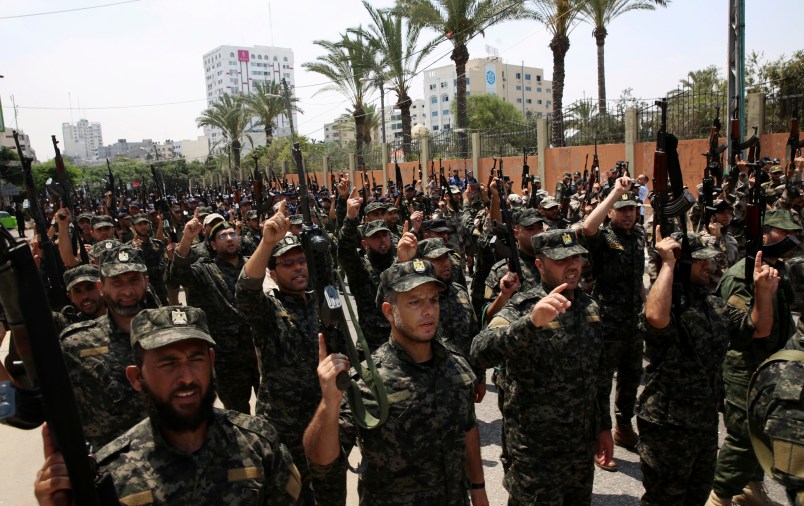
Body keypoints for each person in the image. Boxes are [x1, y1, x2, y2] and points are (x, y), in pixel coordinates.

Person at [34, 306, 302, 506]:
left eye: (195, 359)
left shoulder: (259, 446)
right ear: (136, 378)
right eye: (168, 363)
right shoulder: (111, 475)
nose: (186, 377)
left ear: (211, 362)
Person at [304, 260, 488, 505]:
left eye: (433, 300)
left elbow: (467, 427)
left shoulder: (454, 364)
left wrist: (478, 487)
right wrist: (328, 404)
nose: (428, 311)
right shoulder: (369, 381)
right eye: (415, 302)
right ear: (389, 311)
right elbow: (321, 462)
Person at [471, 229, 612, 504]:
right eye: (561, 260)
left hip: (580, 451)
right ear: (540, 264)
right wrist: (531, 323)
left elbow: (600, 375)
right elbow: (479, 350)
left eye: (576, 258)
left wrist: (604, 426)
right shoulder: (524, 307)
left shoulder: (590, 308)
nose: (572, 265)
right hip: (535, 453)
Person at [237, 204, 345, 505]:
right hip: (283, 430)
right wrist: (267, 242)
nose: (298, 267)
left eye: (302, 261)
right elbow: (245, 292)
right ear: (273, 271)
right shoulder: (269, 310)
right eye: (288, 264)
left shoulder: (324, 304)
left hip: (326, 420)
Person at [708, 210, 800, 506]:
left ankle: (751, 488)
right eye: (781, 233)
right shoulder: (739, 277)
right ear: (763, 236)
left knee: (763, 432)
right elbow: (753, 331)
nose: (790, 239)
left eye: (793, 233)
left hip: (772, 364)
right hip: (744, 367)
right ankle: (719, 497)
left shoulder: (779, 268)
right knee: (743, 438)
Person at [638, 229, 729, 505]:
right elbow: (654, 316)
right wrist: (668, 264)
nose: (708, 265)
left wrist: (762, 290)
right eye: (701, 261)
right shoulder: (666, 304)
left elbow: (758, 329)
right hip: (669, 425)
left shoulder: (712, 303)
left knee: (697, 495)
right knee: (665, 498)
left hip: (704, 419)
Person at [58, 245, 154, 449]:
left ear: (146, 283)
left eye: (134, 280)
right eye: (117, 282)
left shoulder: (175, 333)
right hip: (114, 465)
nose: (127, 291)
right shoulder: (76, 345)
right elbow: (47, 410)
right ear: (102, 288)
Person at [580, 176, 644, 470]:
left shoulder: (640, 236)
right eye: (622, 210)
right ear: (612, 212)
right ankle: (598, 437)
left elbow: (638, 278)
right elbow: (587, 228)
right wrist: (615, 192)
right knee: (602, 383)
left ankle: (623, 427)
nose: (628, 215)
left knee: (631, 378)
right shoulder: (604, 238)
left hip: (633, 322)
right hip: (607, 323)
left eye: (632, 209)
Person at [171, 208, 259, 414]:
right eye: (222, 236)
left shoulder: (251, 266)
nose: (229, 239)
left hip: (259, 350)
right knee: (238, 413)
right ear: (212, 244)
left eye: (232, 234)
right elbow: (178, 275)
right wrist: (186, 239)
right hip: (228, 358)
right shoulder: (206, 269)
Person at [338, 187, 393, 353]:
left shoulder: (398, 264)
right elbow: (345, 249)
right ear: (364, 244)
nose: (382, 240)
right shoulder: (359, 269)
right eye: (376, 237)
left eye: (385, 235)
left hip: (399, 345)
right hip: (371, 348)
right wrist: (350, 218)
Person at [53, 264, 107, 333]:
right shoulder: (68, 325)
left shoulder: (120, 318)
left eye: (90, 288)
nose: (85, 296)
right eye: (77, 291)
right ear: (70, 297)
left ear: (101, 288)